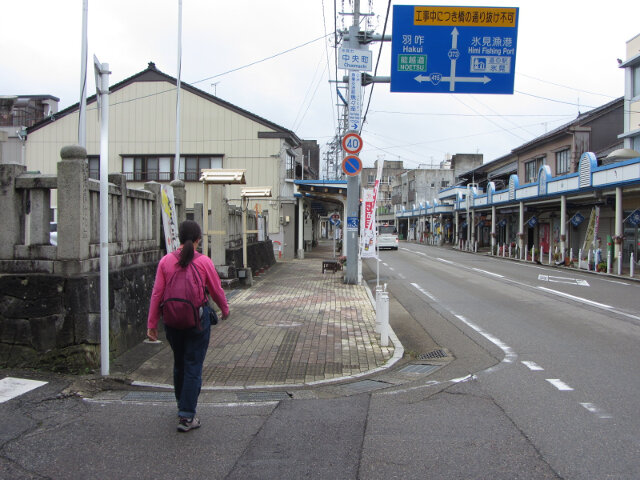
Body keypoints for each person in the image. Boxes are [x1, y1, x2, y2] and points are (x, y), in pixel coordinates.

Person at [147, 220, 230, 432]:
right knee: (193, 364)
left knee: (179, 363)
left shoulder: (166, 261)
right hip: (197, 321)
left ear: (179, 238)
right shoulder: (204, 262)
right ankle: (187, 416)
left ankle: (181, 406)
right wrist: (225, 309)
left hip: (172, 321)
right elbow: (216, 290)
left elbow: (157, 294)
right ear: (198, 239)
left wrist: (152, 324)